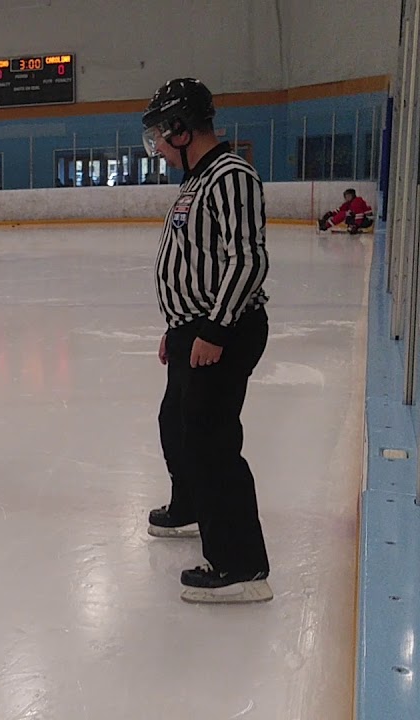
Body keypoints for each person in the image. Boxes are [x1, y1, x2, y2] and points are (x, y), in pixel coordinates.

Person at [141, 78, 274, 603]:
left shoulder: (230, 176)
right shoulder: (197, 180)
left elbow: (247, 259)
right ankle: (191, 507)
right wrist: (178, 328)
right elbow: (198, 261)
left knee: (212, 441)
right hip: (192, 330)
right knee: (176, 422)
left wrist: (214, 330)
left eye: (159, 133)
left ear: (181, 129)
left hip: (223, 330)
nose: (156, 145)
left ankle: (240, 565)